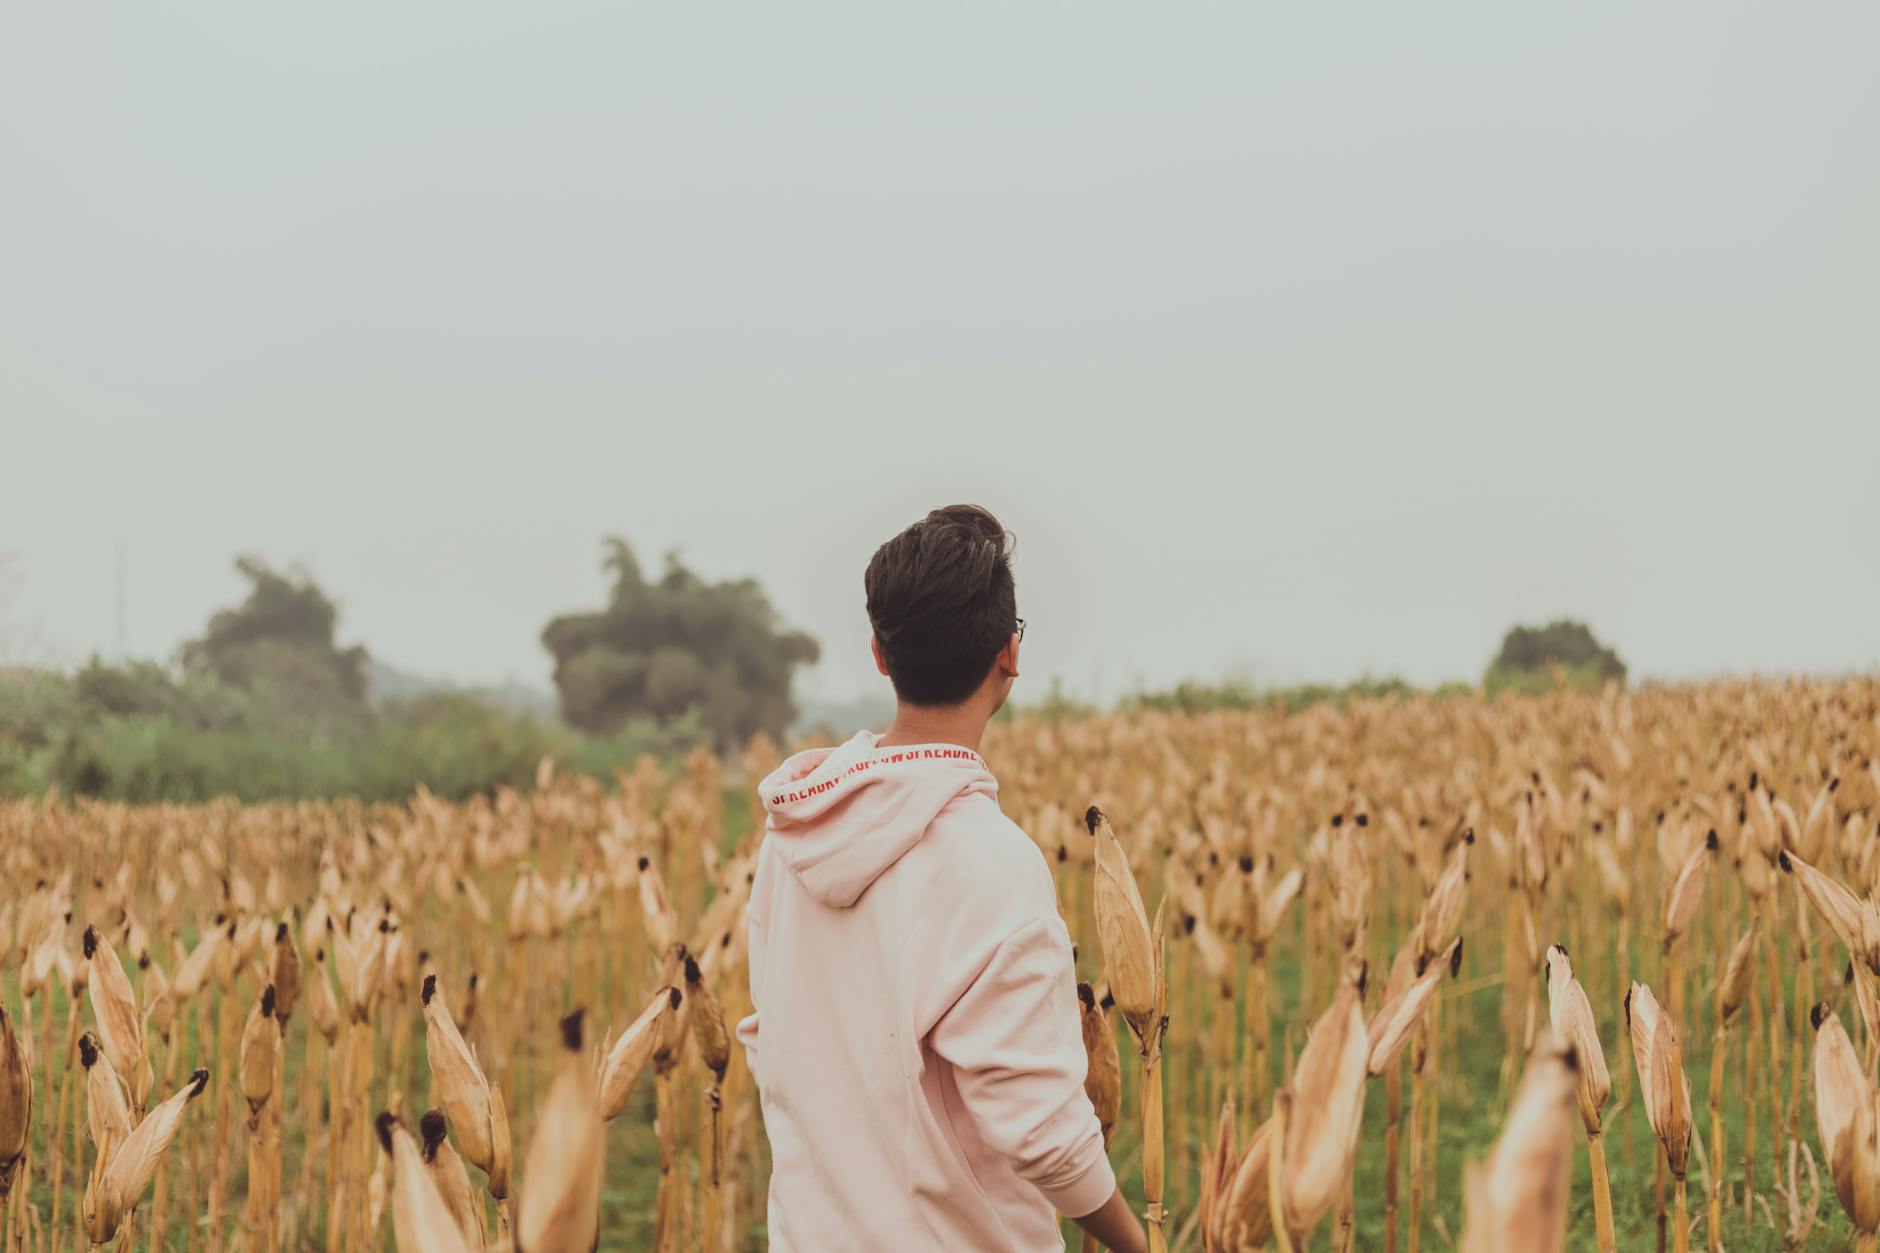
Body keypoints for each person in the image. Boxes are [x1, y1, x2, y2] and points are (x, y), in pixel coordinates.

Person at [737, 505, 1146, 1252]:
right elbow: (1044, 1132)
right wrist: (1135, 1241)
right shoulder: (995, 864)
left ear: (879, 655)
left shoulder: (789, 837)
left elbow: (777, 1042)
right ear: (1010, 654)